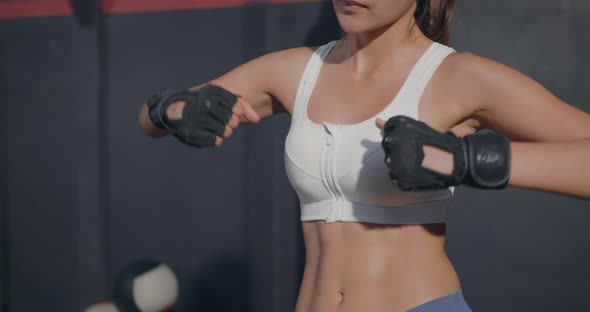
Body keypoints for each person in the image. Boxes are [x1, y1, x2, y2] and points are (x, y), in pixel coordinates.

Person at [138, 0, 590, 311]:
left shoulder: (459, 77)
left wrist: (466, 160)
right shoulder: (298, 71)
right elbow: (148, 117)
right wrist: (173, 110)